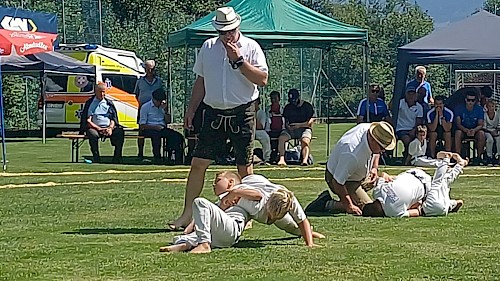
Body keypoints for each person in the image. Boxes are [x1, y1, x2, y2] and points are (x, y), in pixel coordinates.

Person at [170, 7, 268, 230]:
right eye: (223, 32)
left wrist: (239, 61)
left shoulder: (251, 47)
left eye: (231, 31)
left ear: (238, 27)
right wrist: (191, 110)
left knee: (244, 167)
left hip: (242, 112)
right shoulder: (208, 47)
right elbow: (201, 81)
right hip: (213, 112)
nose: (227, 36)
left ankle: (246, 214)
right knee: (198, 163)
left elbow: (262, 80)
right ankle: (187, 214)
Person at [305, 122, 396, 216]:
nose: (382, 151)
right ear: (373, 139)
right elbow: (337, 182)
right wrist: (349, 206)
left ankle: (358, 193)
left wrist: (374, 168)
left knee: (383, 184)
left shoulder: (372, 130)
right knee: (371, 209)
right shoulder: (351, 153)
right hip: (343, 179)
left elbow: (376, 152)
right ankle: (326, 203)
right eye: (381, 147)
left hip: (359, 174)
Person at [362, 152, 466, 218]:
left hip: (425, 187)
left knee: (437, 202)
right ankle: (460, 165)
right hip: (414, 173)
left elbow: (416, 212)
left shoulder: (393, 213)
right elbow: (383, 176)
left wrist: (420, 206)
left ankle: (445, 161)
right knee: (442, 184)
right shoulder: (377, 192)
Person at [80, 83, 124, 163]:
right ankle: (96, 158)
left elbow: (113, 118)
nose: (102, 94)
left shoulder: (108, 103)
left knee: (119, 132)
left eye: (103, 92)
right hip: (95, 128)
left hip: (108, 128)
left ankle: (117, 158)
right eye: (100, 92)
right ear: (95, 91)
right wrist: (99, 129)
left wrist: (110, 128)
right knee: (92, 134)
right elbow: (88, 121)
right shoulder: (90, 103)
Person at [139, 88, 184, 164]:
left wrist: (165, 111)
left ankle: (174, 157)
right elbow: (142, 125)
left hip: (162, 128)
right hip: (149, 128)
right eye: (158, 101)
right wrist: (155, 127)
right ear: (153, 99)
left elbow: (168, 121)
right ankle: (157, 158)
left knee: (176, 136)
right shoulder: (145, 107)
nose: (159, 103)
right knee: (156, 136)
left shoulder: (163, 107)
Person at [277, 89, 315, 167]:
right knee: (282, 138)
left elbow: (310, 122)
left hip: (304, 128)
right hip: (290, 130)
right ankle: (282, 159)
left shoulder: (307, 106)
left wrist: (299, 125)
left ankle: (304, 160)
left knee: (305, 140)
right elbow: (285, 120)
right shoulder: (288, 107)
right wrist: (288, 126)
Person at [134, 60, 163, 160]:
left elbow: (163, 94)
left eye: (151, 68)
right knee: (141, 131)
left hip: (156, 108)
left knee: (157, 132)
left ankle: (158, 154)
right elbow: (136, 94)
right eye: (147, 68)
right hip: (143, 108)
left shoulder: (159, 81)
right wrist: (141, 103)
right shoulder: (140, 81)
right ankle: (140, 153)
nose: (149, 70)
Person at [454, 90, 485, 164]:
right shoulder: (459, 108)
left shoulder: (479, 109)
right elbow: (458, 123)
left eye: (472, 100)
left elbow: (480, 124)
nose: (470, 102)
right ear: (465, 100)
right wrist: (466, 130)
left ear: (475, 101)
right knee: (458, 133)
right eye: (468, 100)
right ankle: (458, 158)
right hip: (463, 130)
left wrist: (474, 130)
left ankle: (479, 158)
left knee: (481, 134)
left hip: (475, 130)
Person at [396, 86, 424, 159]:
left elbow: (419, 121)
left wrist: (414, 130)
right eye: (409, 94)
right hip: (401, 129)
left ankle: (418, 156)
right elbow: (391, 107)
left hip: (413, 129)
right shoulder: (400, 103)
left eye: (413, 94)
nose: (411, 96)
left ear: (416, 95)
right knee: (407, 139)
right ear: (406, 94)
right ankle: (407, 157)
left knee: (421, 137)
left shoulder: (419, 107)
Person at [254, 98, 271, 164]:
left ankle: (267, 158)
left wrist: (253, 114)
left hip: (257, 131)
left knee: (265, 136)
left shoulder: (261, 113)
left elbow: (260, 127)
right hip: (246, 130)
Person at [483, 100, 500, 165]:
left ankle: (498, 156)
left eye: (492, 106)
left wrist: (496, 131)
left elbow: (499, 124)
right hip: (487, 131)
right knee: (490, 140)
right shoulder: (485, 115)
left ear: (495, 107)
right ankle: (489, 156)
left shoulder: (498, 115)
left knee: (498, 139)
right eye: (489, 106)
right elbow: (484, 127)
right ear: (487, 107)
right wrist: (491, 132)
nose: (491, 108)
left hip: (496, 131)